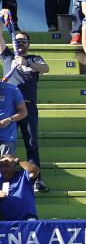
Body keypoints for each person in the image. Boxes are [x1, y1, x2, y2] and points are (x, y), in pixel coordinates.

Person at [0, 31, 50, 192]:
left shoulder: (34, 58)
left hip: (28, 107)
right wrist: (3, 18)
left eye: (24, 41)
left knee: (31, 144)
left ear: (28, 43)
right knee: (6, 146)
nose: (20, 43)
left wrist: (27, 63)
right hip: (9, 109)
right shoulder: (7, 56)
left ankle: (37, 180)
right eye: (18, 40)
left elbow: (46, 68)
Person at [0, 155, 40, 221]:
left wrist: (18, 161)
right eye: (1, 166)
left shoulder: (23, 175)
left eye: (7, 165)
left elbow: (34, 171)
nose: (3, 169)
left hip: (27, 218)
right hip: (5, 221)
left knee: (32, 221)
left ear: (14, 165)